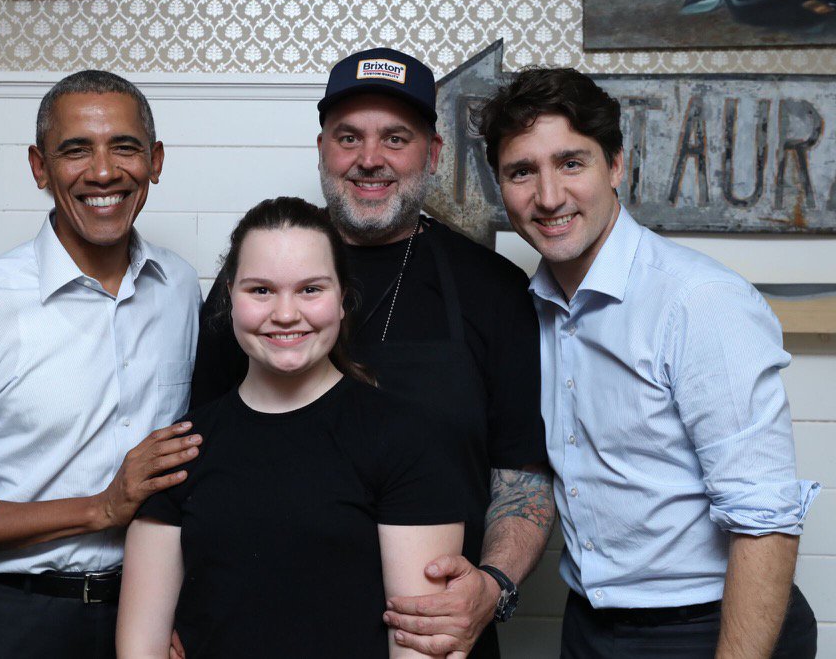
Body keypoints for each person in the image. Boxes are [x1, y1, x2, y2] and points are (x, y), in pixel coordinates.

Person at [191, 48, 553, 657]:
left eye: (396, 138)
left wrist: (492, 587)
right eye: (348, 137)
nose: (369, 159)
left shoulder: (493, 290)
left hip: (433, 635)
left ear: (433, 154)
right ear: (322, 149)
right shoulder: (255, 281)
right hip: (257, 626)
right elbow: (200, 454)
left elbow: (523, 475)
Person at [475, 67, 819, 657]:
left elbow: (764, 518)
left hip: (712, 628)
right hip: (590, 625)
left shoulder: (697, 300)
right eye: (522, 172)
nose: (549, 196)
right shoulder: (527, 310)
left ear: (616, 165)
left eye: (572, 163)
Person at [0, 69, 202, 659]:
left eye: (125, 147)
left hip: (147, 614)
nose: (104, 172)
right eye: (75, 150)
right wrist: (99, 509)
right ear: (39, 167)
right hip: (9, 619)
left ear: (155, 161)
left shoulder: (180, 287)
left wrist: (177, 606)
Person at [118, 196, 466, 658]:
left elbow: (420, 649)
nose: (285, 314)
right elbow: (139, 648)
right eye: (261, 290)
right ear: (230, 297)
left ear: (342, 299)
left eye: (310, 290)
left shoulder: (408, 440)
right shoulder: (181, 449)